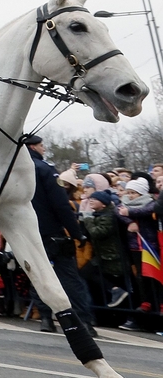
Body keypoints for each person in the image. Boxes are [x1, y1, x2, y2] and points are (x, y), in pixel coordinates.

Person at [26, 135, 94, 333]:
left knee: (38, 276)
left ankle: (46, 318)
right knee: (69, 278)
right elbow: (61, 205)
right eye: (41, 145)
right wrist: (76, 233)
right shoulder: (45, 169)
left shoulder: (12, 170)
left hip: (28, 233)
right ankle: (84, 321)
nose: (44, 149)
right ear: (33, 147)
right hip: (52, 232)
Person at [80, 189, 130, 310]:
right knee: (86, 272)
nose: (91, 200)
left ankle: (116, 291)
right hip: (103, 255)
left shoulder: (108, 216)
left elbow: (97, 232)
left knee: (87, 272)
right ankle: (114, 291)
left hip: (112, 256)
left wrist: (87, 220)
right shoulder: (99, 214)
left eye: (95, 199)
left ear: (103, 204)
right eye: (90, 198)